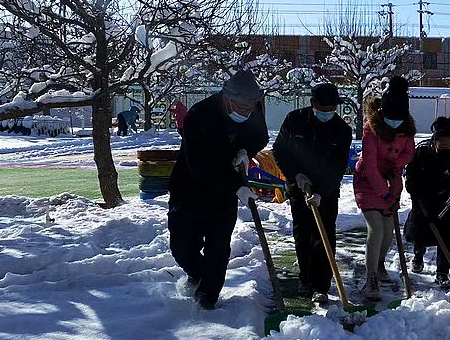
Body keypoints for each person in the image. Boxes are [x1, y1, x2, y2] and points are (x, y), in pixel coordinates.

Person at [167, 69, 268, 309]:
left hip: (224, 193)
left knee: (219, 245)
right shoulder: (200, 115)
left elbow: (260, 136)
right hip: (190, 187)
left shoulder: (252, 108)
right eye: (242, 107)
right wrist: (236, 188)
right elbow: (200, 165)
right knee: (182, 247)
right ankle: (198, 274)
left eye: (251, 107)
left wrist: (245, 151)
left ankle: (208, 297)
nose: (247, 111)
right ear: (227, 98)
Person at [273, 83, 352, 304]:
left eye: (331, 109)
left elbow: (337, 167)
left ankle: (321, 285)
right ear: (313, 104)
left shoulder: (342, 130)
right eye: (323, 108)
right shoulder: (294, 120)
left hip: (326, 191)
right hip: (298, 188)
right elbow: (280, 150)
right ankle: (305, 280)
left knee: (324, 235)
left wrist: (320, 192)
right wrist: (294, 175)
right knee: (303, 235)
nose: (327, 112)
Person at [353, 76, 416, 301]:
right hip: (368, 183)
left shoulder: (406, 128)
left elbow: (409, 153)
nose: (394, 122)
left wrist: (395, 166)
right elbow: (370, 167)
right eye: (390, 118)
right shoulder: (372, 128)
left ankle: (380, 264)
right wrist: (385, 194)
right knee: (376, 228)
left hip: (392, 182)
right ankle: (370, 277)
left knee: (388, 232)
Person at [405, 117, 450, 290]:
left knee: (448, 235)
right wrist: (413, 190)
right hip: (423, 197)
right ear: (435, 142)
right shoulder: (422, 150)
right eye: (443, 146)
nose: (448, 149)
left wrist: (441, 212)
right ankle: (418, 256)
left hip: (448, 200)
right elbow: (410, 172)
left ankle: (442, 273)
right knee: (420, 231)